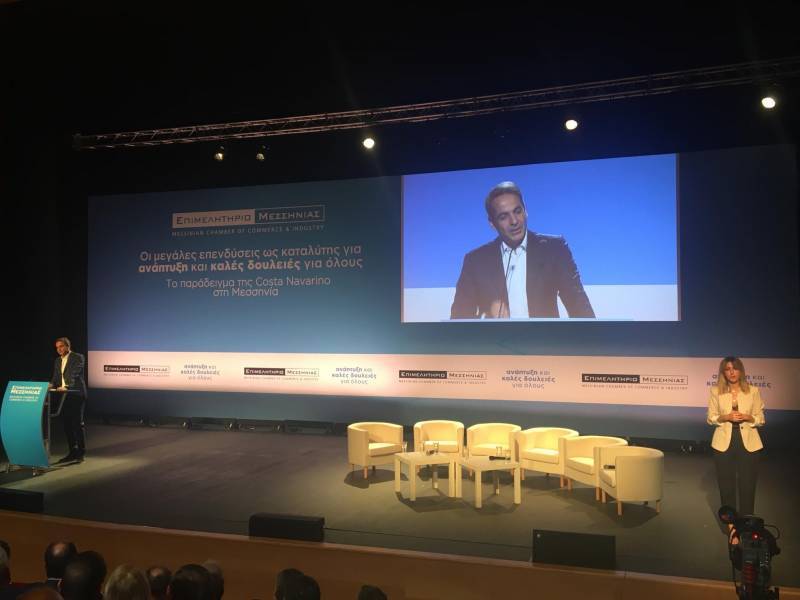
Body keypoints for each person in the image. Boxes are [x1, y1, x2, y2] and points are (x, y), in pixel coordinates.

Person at [450, 181, 594, 319]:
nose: (514, 221)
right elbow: (458, 319)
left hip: (545, 337)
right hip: (496, 337)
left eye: (517, 211)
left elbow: (580, 308)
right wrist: (486, 317)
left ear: (525, 211)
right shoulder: (475, 261)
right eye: (503, 217)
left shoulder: (554, 249)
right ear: (492, 223)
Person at [707, 357, 765, 526]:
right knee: (726, 485)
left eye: (735, 368)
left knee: (748, 484)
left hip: (749, 442)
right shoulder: (716, 391)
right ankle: (731, 526)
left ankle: (746, 524)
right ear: (723, 373)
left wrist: (748, 417)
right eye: (728, 369)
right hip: (723, 442)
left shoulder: (753, 391)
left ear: (741, 371)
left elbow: (761, 419)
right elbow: (711, 418)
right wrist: (725, 417)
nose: (732, 372)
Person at [49, 337, 87, 463]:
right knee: (67, 425)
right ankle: (72, 451)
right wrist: (50, 385)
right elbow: (56, 377)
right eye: (57, 347)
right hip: (64, 396)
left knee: (77, 423)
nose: (59, 349)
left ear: (68, 346)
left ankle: (81, 453)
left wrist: (67, 386)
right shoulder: (57, 361)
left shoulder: (78, 357)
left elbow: (74, 374)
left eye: (61, 346)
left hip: (76, 394)